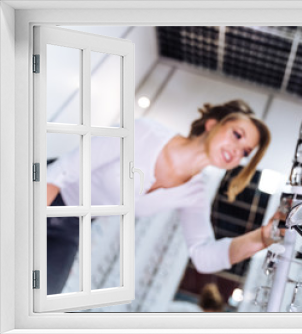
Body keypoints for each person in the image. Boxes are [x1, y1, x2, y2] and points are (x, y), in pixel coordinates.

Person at [46, 100, 278, 295]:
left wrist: (262, 238)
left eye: (246, 152)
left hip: (72, 226)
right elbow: (62, 171)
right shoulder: (144, 132)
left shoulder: (193, 195)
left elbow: (203, 256)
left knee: (42, 297)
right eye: (237, 135)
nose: (238, 150)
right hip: (45, 191)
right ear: (212, 124)